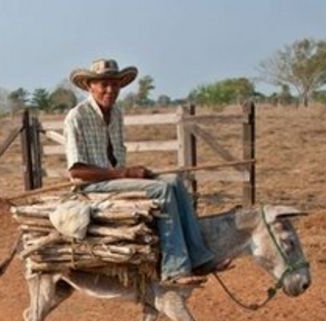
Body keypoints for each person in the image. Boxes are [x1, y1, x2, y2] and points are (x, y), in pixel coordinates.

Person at [64, 58, 216, 283]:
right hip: (93, 186)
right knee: (161, 190)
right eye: (103, 84)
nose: (110, 90)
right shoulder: (77, 117)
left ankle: (199, 257)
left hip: (115, 179)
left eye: (115, 85)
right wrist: (124, 174)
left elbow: (116, 159)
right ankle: (174, 267)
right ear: (90, 86)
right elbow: (77, 172)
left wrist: (129, 173)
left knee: (175, 181)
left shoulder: (116, 114)